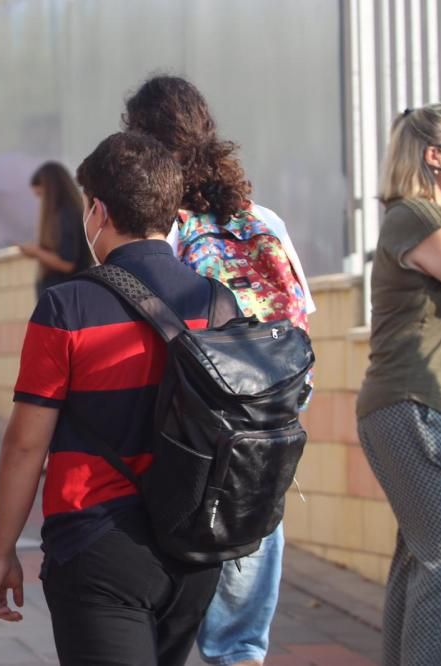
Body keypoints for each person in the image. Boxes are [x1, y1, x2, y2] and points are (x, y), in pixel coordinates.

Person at [0, 132, 233, 666]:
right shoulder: (215, 303)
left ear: (96, 211)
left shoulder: (66, 307)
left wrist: (3, 551)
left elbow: (26, 445)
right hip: (194, 549)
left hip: (97, 545)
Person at [123, 75, 315, 666]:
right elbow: (302, 325)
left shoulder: (160, 232)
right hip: (265, 431)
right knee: (239, 643)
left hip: (192, 438)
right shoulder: (264, 221)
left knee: (170, 626)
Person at [357, 104, 441, 666]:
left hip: (413, 408)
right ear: (436, 156)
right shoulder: (415, 215)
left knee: (420, 556)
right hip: (409, 408)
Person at [19, 162, 91, 297]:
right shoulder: (71, 213)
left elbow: (67, 263)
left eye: (41, 195)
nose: (41, 202)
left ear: (51, 191)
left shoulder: (67, 215)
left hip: (65, 299)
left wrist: (36, 252)